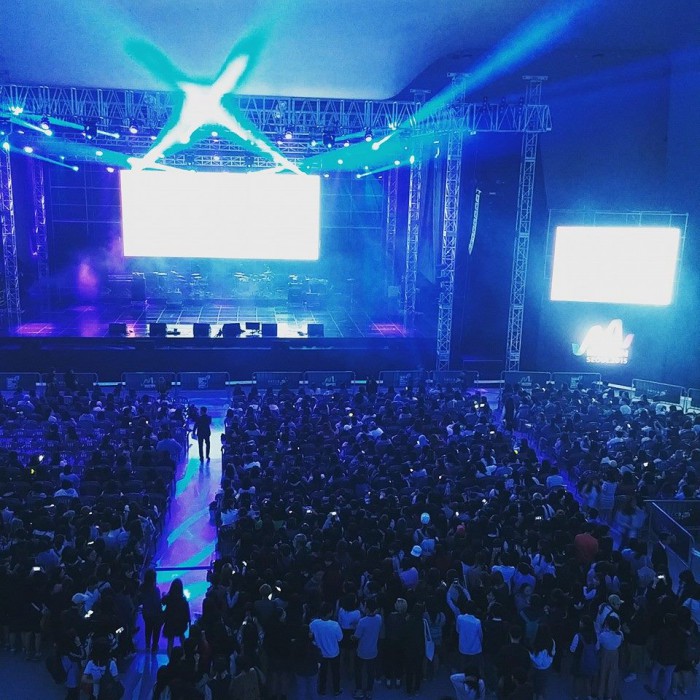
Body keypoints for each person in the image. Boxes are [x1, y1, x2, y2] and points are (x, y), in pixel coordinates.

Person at [310, 603, 343, 696]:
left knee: (322, 672)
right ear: (330, 613)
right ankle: (336, 689)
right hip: (334, 653)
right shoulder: (335, 625)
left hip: (320, 653)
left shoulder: (314, 623)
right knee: (335, 672)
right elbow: (340, 638)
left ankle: (322, 689)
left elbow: (310, 635)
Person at [353, 599, 382, 698]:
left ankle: (359, 690)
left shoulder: (362, 621)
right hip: (373, 650)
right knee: (371, 672)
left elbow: (357, 636)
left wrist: (352, 636)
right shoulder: (379, 618)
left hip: (362, 650)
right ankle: (369, 691)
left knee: (358, 671)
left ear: (368, 609)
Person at [569, 616, 599, 700]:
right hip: (590, 662)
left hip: (578, 661)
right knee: (588, 680)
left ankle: (576, 696)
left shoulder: (578, 636)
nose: (579, 622)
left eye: (581, 622)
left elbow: (572, 649)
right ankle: (589, 696)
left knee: (578, 679)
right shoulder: (594, 635)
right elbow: (597, 648)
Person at [162, 578, 190, 656]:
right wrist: (188, 622)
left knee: (170, 641)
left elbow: (162, 602)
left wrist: (164, 595)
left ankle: (170, 659)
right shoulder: (183, 600)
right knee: (182, 637)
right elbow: (187, 613)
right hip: (180, 623)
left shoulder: (168, 598)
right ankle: (185, 654)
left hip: (170, 622)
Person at [293, 625, 322, 700]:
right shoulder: (313, 645)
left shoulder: (295, 644)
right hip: (312, 670)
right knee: (313, 689)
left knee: (301, 690)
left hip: (299, 670)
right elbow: (318, 656)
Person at [529, 624, 555, 700]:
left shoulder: (537, 643)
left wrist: (530, 655)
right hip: (547, 667)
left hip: (537, 669)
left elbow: (538, 662)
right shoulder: (552, 641)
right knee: (542, 688)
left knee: (535, 688)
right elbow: (553, 653)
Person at [140, 568, 163, 653]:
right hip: (156, 614)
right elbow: (157, 603)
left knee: (148, 628)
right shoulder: (155, 590)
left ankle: (147, 645)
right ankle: (154, 646)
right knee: (156, 631)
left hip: (146, 613)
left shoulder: (142, 588)